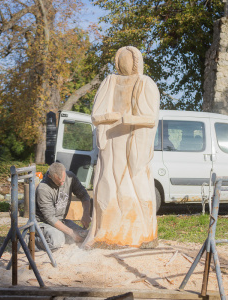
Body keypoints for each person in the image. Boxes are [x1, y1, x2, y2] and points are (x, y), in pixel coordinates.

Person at [82, 46, 160, 248]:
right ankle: (107, 233)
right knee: (107, 185)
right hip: (110, 142)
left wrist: (130, 118)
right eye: (122, 59)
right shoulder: (110, 81)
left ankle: (140, 233)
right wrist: (109, 117)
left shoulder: (145, 83)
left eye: (129, 59)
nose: (125, 63)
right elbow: (96, 115)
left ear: (136, 61)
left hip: (132, 142)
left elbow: (151, 118)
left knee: (136, 185)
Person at [35, 162, 91, 251]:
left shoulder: (70, 177)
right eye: (58, 182)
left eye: (63, 181)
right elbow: (50, 218)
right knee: (57, 242)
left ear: (65, 172)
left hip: (61, 221)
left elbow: (84, 195)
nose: (62, 184)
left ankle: (61, 235)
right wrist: (72, 234)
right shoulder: (43, 189)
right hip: (43, 223)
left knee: (85, 235)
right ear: (50, 176)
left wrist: (86, 214)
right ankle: (28, 240)